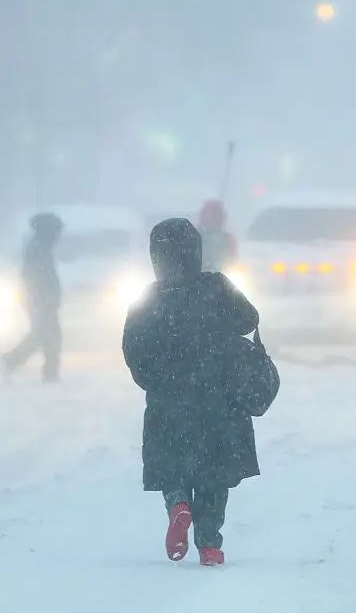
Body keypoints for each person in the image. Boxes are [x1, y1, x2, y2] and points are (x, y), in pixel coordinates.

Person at [122, 217, 260, 567]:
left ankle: (179, 505)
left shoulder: (148, 298)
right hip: (219, 398)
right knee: (214, 473)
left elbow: (132, 349)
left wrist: (154, 380)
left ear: (157, 256)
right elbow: (249, 318)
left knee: (172, 464)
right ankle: (210, 544)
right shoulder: (215, 286)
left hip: (169, 401)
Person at [2, 212, 63, 382]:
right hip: (40, 301)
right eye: (56, 232)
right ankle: (13, 361)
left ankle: (14, 361)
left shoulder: (38, 247)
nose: (57, 237)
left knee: (43, 335)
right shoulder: (38, 249)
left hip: (40, 300)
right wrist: (43, 298)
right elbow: (37, 277)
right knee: (47, 336)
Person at [197, 199, 238, 272]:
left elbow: (233, 259)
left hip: (224, 274)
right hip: (201, 275)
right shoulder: (197, 238)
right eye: (214, 216)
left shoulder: (228, 239)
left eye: (219, 216)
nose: (217, 220)